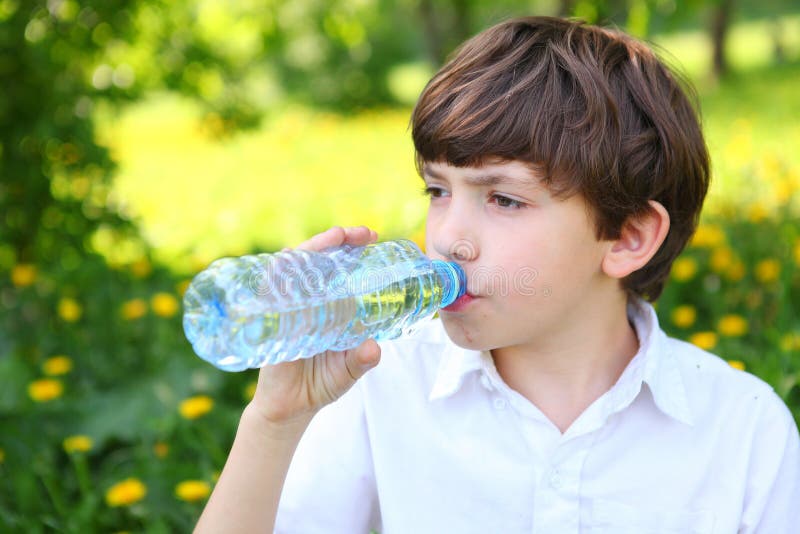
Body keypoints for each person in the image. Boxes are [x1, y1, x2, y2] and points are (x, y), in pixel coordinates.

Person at [195, 16, 800, 533]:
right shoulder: (379, 386)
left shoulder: (742, 429)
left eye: (504, 200)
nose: (448, 237)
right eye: (437, 189)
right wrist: (274, 422)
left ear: (628, 237)